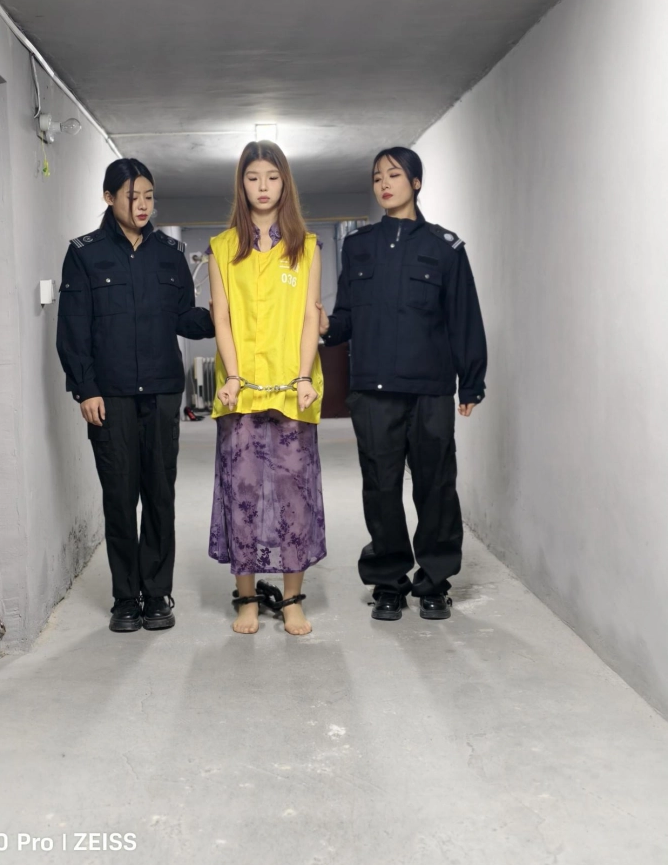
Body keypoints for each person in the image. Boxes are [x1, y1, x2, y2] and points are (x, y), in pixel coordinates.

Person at [319, 147, 487, 622]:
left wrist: (471, 382)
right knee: (381, 487)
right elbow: (347, 316)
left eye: (394, 175)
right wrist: (326, 326)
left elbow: (463, 317)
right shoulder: (359, 246)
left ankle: (434, 581)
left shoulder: (445, 247)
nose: (384, 184)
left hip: (430, 388)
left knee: (436, 486)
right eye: (377, 177)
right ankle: (388, 581)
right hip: (373, 388)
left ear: (416, 183)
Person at [56, 158, 214, 633]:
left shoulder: (170, 252)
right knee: (120, 498)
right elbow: (73, 329)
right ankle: (126, 597)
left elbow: (184, 317)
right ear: (109, 198)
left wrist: (222, 316)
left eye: (148, 196)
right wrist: (85, 388)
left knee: (160, 495)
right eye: (132, 196)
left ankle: (158, 593)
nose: (142, 205)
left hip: (163, 393)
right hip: (112, 397)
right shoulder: (84, 254)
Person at [208, 141, 326, 636]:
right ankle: (247, 599)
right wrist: (233, 377)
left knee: (294, 492)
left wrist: (304, 376)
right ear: (242, 183)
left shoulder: (307, 247)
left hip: (293, 388)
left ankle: (293, 600)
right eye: (253, 177)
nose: (262, 186)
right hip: (241, 390)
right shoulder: (221, 248)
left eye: (272, 177)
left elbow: (309, 319)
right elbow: (221, 318)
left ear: (284, 183)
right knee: (243, 492)